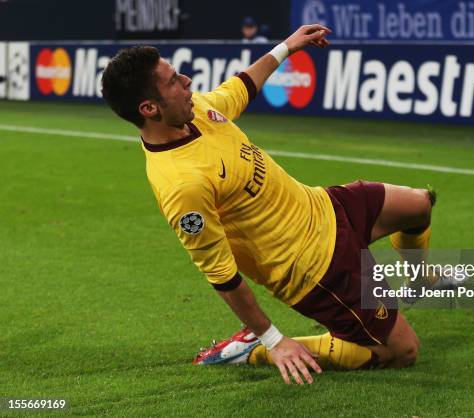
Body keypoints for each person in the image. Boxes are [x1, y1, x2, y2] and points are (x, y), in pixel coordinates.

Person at [101, 24, 446, 385]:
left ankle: (421, 280)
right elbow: (221, 274)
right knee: (402, 352)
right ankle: (253, 349)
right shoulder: (182, 185)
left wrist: (287, 47)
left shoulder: (195, 111)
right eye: (173, 80)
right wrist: (273, 338)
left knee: (419, 205)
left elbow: (239, 88)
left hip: (322, 205)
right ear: (149, 107)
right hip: (312, 266)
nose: (187, 81)